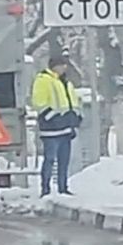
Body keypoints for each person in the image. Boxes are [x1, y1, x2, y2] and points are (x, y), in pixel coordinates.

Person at [31, 52, 82, 197]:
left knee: (64, 161)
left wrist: (75, 117)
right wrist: (52, 117)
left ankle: (63, 187)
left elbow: (71, 103)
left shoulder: (65, 82)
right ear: (54, 67)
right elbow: (39, 102)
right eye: (61, 65)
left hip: (66, 128)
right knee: (50, 159)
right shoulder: (43, 80)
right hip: (51, 129)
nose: (64, 68)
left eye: (65, 65)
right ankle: (45, 189)